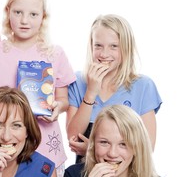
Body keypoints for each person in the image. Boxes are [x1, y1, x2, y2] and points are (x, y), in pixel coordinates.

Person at [0, 0, 74, 177]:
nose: (24, 20)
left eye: (33, 14)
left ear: (43, 17)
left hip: (45, 145)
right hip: (6, 147)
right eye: (18, 12)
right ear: (7, 12)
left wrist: (57, 108)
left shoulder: (54, 53)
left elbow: (64, 99)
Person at [66, 14, 162, 162]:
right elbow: (72, 137)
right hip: (84, 175)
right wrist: (90, 93)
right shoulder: (78, 81)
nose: (104, 54)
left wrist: (92, 150)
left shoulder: (143, 86)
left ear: (125, 49)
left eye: (113, 46)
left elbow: (147, 148)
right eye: (98, 45)